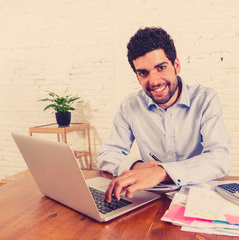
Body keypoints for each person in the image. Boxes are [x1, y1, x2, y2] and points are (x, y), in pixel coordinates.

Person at [97, 27, 231, 203]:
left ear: (176, 65)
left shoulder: (206, 99)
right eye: (143, 73)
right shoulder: (130, 106)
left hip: (198, 197)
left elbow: (219, 158)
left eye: (161, 67)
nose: (153, 81)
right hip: (150, 198)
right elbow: (107, 154)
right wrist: (138, 167)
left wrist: (161, 172)